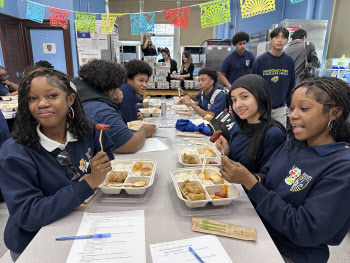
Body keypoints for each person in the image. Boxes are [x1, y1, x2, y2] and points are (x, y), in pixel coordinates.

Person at [220, 77, 350, 263]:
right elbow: (268, 178)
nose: (293, 115)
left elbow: (304, 229)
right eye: (292, 108)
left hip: (288, 253)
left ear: (334, 112)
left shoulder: (341, 167)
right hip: (259, 229)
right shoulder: (294, 145)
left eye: (304, 109)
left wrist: (250, 182)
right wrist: (245, 177)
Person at [0, 68, 114, 261]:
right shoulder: (15, 153)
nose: (42, 103)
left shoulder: (86, 130)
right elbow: (28, 215)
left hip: (81, 224)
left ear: (70, 100)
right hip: (35, 242)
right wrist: (87, 183)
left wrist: (100, 170)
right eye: (32, 98)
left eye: (52, 95)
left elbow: (106, 158)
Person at [73, 59, 156, 154]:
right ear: (110, 88)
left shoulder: (84, 96)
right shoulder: (100, 109)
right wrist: (144, 131)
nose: (119, 91)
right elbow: (130, 144)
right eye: (117, 87)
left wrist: (111, 100)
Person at [215, 74, 285, 173]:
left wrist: (243, 178)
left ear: (260, 96)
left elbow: (269, 178)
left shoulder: (273, 134)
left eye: (244, 97)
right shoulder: (238, 126)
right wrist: (225, 152)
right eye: (234, 100)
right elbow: (234, 161)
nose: (238, 105)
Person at [251, 27, 296, 127]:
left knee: (280, 135)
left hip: (280, 108)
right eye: (276, 37)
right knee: (260, 136)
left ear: (287, 41)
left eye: (283, 37)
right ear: (270, 40)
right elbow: (252, 84)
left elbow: (291, 84)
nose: (280, 40)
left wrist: (290, 104)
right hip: (261, 107)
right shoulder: (261, 60)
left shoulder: (289, 61)